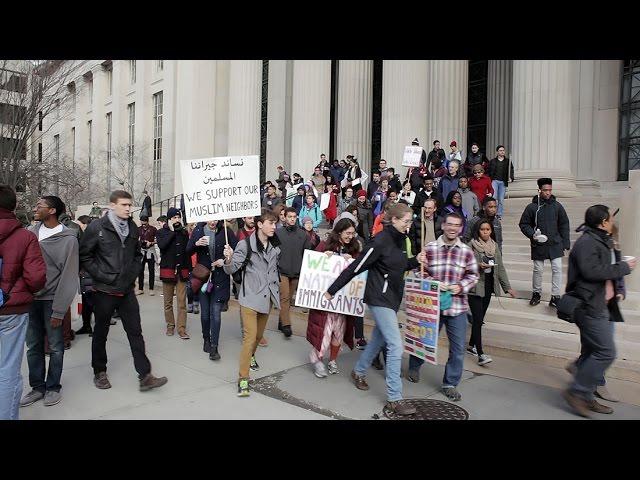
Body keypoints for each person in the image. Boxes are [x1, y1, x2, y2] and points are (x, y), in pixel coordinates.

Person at [325, 203, 425, 416]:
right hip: (379, 298)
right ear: (395, 220)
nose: (409, 225)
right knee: (395, 345)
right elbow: (356, 266)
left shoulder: (402, 240)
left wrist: (415, 261)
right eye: (406, 221)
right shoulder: (379, 240)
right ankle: (395, 399)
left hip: (393, 298)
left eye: (410, 221)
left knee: (379, 340)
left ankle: (358, 371)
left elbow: (397, 267)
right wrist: (332, 290)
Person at [79, 190, 167, 391]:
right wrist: (102, 275)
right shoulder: (97, 228)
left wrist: (133, 274)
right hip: (104, 290)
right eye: (124, 205)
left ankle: (145, 375)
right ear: (112, 206)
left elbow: (137, 254)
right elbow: (85, 256)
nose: (128, 208)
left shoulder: (132, 228)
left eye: (129, 205)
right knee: (101, 332)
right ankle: (99, 372)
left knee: (135, 332)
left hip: (126, 291)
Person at [562, 205, 636, 418]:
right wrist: (624, 268)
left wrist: (619, 285)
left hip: (603, 304)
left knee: (591, 352)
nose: (613, 221)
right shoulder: (586, 242)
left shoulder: (601, 239)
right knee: (606, 352)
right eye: (610, 219)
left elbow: (606, 265)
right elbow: (591, 271)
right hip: (589, 306)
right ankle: (577, 392)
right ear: (603, 222)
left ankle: (585, 395)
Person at [407, 212, 479, 401]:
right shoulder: (430, 248)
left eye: (457, 225)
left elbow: (473, 275)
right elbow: (418, 272)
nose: (453, 228)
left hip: (457, 307)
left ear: (461, 228)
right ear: (444, 226)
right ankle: (414, 367)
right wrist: (433, 283)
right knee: (423, 340)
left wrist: (460, 286)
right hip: (432, 306)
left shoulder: (466, 251)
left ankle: (450, 382)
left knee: (457, 348)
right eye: (450, 224)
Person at [20, 196, 78, 409]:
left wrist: (59, 310)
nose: (35, 208)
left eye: (39, 206)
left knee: (55, 347)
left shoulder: (68, 239)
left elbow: (69, 276)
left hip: (52, 300)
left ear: (52, 210)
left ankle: (53, 387)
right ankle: (37, 387)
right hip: (30, 300)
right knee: (33, 345)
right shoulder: (29, 233)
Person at [0, 185, 46, 420]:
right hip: (11, 311)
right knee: (8, 370)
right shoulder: (25, 236)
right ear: (14, 206)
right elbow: (37, 279)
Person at [223, 210, 281, 397]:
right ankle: (243, 378)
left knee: (257, 338)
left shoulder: (275, 244)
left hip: (268, 298)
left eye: (275, 223)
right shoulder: (245, 244)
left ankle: (251, 356)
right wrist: (229, 257)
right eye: (270, 223)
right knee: (250, 338)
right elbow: (231, 269)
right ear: (259, 224)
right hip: (249, 297)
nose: (274, 226)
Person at [307, 219, 359, 377]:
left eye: (352, 233)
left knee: (339, 333)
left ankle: (332, 360)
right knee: (325, 332)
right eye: (347, 233)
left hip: (343, 302)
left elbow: (360, 270)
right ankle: (317, 359)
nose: (350, 236)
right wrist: (323, 257)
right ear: (339, 232)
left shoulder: (354, 248)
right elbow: (312, 264)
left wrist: (352, 260)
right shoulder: (325, 245)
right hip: (326, 301)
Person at [466, 220, 517, 365]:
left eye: (488, 229)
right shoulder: (471, 245)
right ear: (478, 231)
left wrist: (507, 287)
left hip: (488, 286)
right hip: (475, 287)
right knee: (477, 319)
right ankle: (481, 353)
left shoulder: (494, 246)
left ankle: (471, 345)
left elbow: (500, 267)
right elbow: (464, 265)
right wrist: (477, 266)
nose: (485, 232)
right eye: (482, 229)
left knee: (480, 318)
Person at [187, 219, 237, 360]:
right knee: (205, 315)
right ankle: (206, 339)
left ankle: (214, 346)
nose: (213, 222)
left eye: (215, 219)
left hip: (220, 279)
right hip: (203, 278)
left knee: (216, 314)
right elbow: (188, 250)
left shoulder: (226, 231)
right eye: (210, 218)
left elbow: (238, 251)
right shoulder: (198, 230)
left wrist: (228, 257)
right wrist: (196, 244)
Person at [518, 178, 570, 308]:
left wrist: (565, 242)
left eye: (550, 190)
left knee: (557, 269)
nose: (548, 193)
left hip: (555, 243)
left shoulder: (558, 206)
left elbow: (564, 224)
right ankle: (536, 294)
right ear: (539, 190)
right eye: (545, 190)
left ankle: (556, 296)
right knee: (538, 269)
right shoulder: (532, 207)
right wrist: (532, 234)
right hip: (539, 244)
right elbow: (523, 224)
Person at [276, 208, 312, 338]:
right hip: (282, 271)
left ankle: (281, 321)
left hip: (296, 272)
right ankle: (286, 324)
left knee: (289, 298)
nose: (292, 218)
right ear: (284, 217)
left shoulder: (303, 235)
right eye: (289, 216)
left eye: (294, 216)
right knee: (284, 297)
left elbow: (307, 253)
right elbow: (273, 251)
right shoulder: (278, 233)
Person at [156, 207, 191, 339]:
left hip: (182, 271)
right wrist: (171, 232)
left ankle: (182, 328)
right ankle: (170, 325)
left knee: (182, 302)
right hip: (168, 271)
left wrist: (189, 270)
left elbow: (187, 251)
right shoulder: (161, 232)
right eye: (174, 218)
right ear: (169, 219)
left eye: (178, 217)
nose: (177, 220)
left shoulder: (183, 232)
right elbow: (162, 246)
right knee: (168, 302)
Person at [487, 145, 515, 218]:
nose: (502, 152)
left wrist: (511, 177)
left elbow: (511, 170)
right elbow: (488, 171)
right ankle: (492, 213)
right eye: (500, 150)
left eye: (503, 150)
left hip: (503, 182)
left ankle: (499, 214)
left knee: (501, 200)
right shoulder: (492, 161)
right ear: (497, 152)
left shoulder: (508, 161)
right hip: (494, 181)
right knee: (494, 197)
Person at [136, 215, 157, 296]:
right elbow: (135, 240)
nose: (143, 224)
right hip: (141, 251)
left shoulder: (153, 229)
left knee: (151, 270)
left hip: (150, 251)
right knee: (140, 271)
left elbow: (157, 239)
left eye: (145, 222)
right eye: (142, 222)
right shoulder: (138, 229)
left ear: (148, 221)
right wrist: (140, 242)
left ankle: (151, 289)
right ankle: (140, 289)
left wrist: (151, 242)